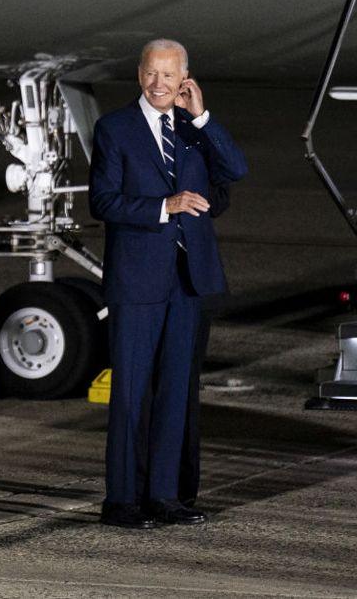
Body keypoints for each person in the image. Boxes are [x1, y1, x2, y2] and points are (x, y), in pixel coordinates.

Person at [89, 39, 247, 529]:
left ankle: (167, 496)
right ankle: (122, 502)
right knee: (132, 393)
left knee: (178, 392)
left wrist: (202, 119)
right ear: (140, 75)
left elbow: (236, 171)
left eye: (169, 76)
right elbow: (103, 202)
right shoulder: (115, 129)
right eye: (151, 74)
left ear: (185, 79)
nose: (159, 84)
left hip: (189, 280)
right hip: (137, 280)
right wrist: (165, 206)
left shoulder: (193, 130)